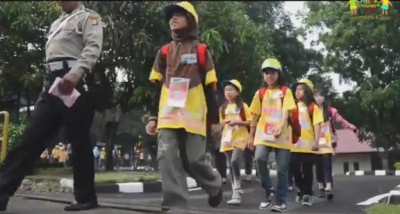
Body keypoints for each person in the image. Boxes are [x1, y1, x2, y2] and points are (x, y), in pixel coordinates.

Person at [0, 1, 103, 211]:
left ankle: (85, 198)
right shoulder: (56, 22)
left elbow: (93, 47)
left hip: (75, 80)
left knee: (79, 139)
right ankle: (2, 190)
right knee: (32, 137)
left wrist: (76, 73)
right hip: (53, 82)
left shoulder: (89, 17)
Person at [146, 1, 223, 212]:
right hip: (168, 114)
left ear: (191, 20)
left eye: (179, 15)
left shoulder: (201, 50)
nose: (173, 18)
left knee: (195, 160)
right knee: (167, 157)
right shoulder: (163, 52)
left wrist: (215, 121)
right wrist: (153, 117)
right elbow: (155, 88)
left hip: (194, 115)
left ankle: (214, 186)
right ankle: (175, 205)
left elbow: (211, 88)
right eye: (171, 16)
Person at [248, 58, 296, 212]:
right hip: (263, 133)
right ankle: (268, 189)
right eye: (266, 73)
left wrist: (280, 128)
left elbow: (285, 112)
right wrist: (251, 136)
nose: (269, 76)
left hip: (281, 134)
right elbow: (254, 115)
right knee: (259, 158)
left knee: (282, 168)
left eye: (273, 72)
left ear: (278, 73)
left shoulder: (285, 91)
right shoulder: (260, 93)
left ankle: (280, 201)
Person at [314, 90, 356, 199]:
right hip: (315, 141)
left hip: (328, 141)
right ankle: (321, 186)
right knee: (318, 165)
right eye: (316, 96)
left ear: (324, 98)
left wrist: (350, 126)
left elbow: (341, 121)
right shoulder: (311, 110)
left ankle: (328, 185)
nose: (318, 98)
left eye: (320, 96)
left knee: (326, 163)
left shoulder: (330, 111)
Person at [290, 79, 323, 206]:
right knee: (294, 169)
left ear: (307, 91)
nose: (297, 92)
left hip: (308, 145)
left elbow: (317, 125)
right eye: (296, 90)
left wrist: (316, 141)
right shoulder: (292, 106)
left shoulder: (313, 107)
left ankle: (307, 195)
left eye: (300, 89)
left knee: (307, 171)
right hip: (293, 145)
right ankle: (302, 189)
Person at [219, 79, 251, 205]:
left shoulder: (243, 106)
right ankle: (236, 191)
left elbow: (250, 122)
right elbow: (222, 123)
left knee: (234, 161)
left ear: (237, 92)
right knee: (231, 165)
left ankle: (237, 189)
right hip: (227, 138)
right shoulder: (222, 107)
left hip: (240, 137)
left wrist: (237, 122)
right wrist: (223, 124)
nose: (228, 92)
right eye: (226, 90)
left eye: (231, 90)